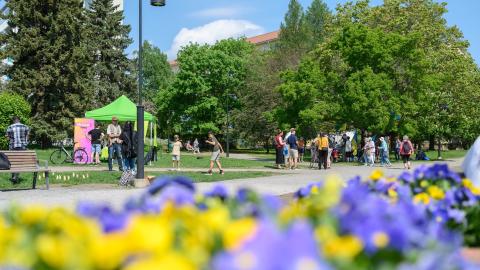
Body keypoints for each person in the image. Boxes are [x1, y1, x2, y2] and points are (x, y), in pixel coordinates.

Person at [5, 116, 30, 184]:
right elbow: (27, 135)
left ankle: (14, 176)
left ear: (13, 120)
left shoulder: (10, 127)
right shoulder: (25, 126)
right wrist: (26, 142)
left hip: (13, 146)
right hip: (22, 146)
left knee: (13, 161)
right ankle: (16, 176)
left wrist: (10, 140)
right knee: (19, 162)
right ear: (19, 120)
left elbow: (7, 136)